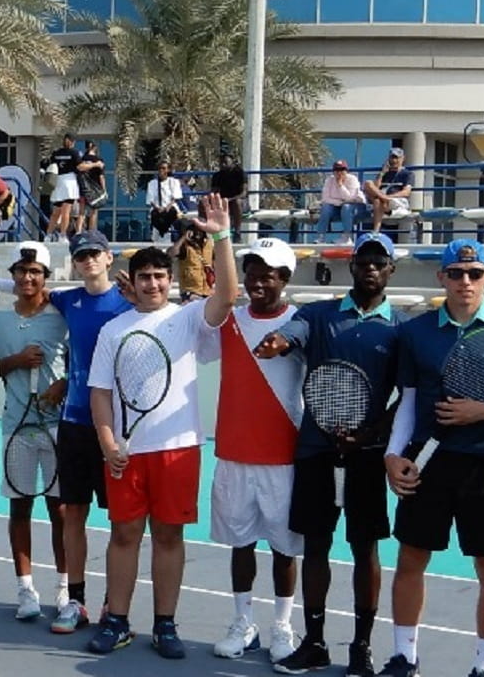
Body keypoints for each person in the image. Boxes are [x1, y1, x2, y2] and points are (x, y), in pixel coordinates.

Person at [380, 239, 484, 677]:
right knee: (410, 559)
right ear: (442, 278)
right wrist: (393, 455)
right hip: (427, 464)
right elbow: (408, 400)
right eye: (455, 273)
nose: (465, 281)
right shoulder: (414, 332)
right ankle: (404, 658)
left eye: (474, 274)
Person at [86, 193, 238, 659]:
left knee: (169, 537)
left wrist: (223, 236)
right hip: (126, 454)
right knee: (124, 536)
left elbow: (227, 295)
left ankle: (165, 625)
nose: (152, 284)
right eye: (144, 277)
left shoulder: (188, 317)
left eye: (159, 276)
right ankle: (116, 621)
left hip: (178, 449)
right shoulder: (113, 330)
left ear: (170, 281)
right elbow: (100, 393)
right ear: (131, 283)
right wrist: (108, 442)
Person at [261, 232, 405, 677]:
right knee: (316, 546)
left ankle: (361, 648)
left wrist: (371, 433)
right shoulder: (318, 315)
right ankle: (315, 642)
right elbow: (290, 334)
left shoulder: (400, 329)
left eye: (379, 261)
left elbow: (408, 397)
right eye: (363, 261)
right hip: (316, 451)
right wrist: (277, 342)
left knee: (365, 549)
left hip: (367, 455)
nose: (370, 268)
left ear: (391, 269)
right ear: (352, 266)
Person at [199, 238, 303, 664]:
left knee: (284, 548)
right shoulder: (228, 321)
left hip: (283, 456)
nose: (258, 281)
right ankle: (243, 623)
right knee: (240, 545)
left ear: (285, 279)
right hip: (235, 454)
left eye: (268, 275)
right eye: (252, 273)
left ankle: (282, 625)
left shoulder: (301, 323)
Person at [0, 241, 70, 623]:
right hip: (16, 427)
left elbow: (81, 365)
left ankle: (65, 587)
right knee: (20, 509)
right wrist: (16, 361)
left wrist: (63, 385)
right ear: (13, 275)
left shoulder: (62, 318)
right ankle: (26, 590)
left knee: (60, 511)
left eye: (35, 272)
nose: (28, 277)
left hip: (57, 429)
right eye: (21, 271)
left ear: (45, 277)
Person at [364, 149, 414, 235]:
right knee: (368, 184)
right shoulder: (384, 173)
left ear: (403, 158)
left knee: (377, 200)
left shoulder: (407, 174)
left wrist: (389, 197)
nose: (394, 160)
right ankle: (376, 231)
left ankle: (376, 230)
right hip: (382, 200)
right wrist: (382, 174)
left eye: (397, 158)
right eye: (392, 158)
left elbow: (406, 192)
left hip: (396, 201)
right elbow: (375, 188)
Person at [317, 162, 364, 243]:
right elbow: (325, 198)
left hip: (352, 206)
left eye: (342, 169)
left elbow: (350, 198)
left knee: (346, 207)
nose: (339, 172)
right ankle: (320, 237)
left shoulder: (352, 179)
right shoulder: (329, 180)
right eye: (336, 170)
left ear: (346, 171)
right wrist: (340, 202)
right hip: (336, 206)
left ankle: (347, 237)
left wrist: (340, 185)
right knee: (325, 207)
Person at [46, 136, 82, 241]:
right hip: (69, 182)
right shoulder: (74, 153)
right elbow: (80, 167)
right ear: (73, 142)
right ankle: (62, 235)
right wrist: (94, 165)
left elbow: (51, 165)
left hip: (58, 182)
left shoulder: (56, 153)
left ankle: (48, 235)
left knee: (56, 212)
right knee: (66, 211)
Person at [170, 222, 214, 300]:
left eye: (200, 231)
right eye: (195, 230)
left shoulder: (209, 245)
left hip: (207, 290)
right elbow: (172, 253)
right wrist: (183, 238)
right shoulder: (185, 246)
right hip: (190, 290)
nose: (197, 233)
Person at [146, 162, 183, 244]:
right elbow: (150, 200)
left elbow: (175, 197)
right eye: (159, 168)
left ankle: (163, 232)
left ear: (168, 170)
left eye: (163, 168)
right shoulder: (152, 183)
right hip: (157, 208)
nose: (161, 170)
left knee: (170, 214)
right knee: (155, 215)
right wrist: (157, 208)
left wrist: (167, 207)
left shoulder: (174, 182)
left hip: (170, 207)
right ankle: (162, 232)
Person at [212, 154, 248, 235]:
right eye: (221, 163)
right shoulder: (217, 176)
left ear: (232, 162)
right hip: (223, 203)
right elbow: (213, 192)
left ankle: (237, 231)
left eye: (225, 162)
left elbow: (244, 193)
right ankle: (207, 232)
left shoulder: (240, 173)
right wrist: (216, 200)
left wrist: (229, 200)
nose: (223, 165)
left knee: (237, 202)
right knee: (205, 202)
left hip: (240, 203)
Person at [76, 145, 108, 234]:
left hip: (83, 189)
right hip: (94, 190)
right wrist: (104, 190)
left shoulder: (82, 159)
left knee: (81, 212)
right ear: (95, 148)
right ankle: (91, 233)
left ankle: (78, 232)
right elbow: (101, 177)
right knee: (94, 212)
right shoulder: (98, 160)